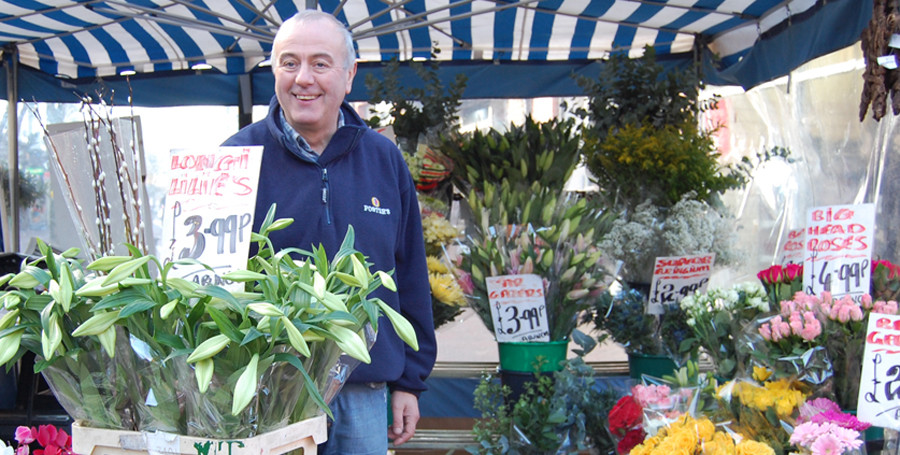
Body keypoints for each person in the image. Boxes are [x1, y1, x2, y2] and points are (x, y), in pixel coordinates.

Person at [222, 10, 437, 454]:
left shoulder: (384, 159)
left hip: (364, 390)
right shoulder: (235, 158)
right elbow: (208, 279)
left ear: (349, 74)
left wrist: (410, 383)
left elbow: (410, 272)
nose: (304, 78)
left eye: (320, 64)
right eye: (289, 62)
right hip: (270, 391)